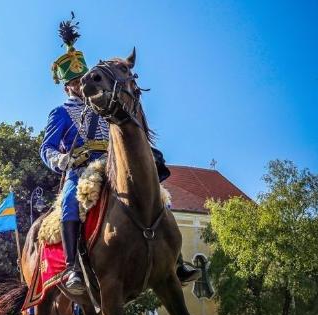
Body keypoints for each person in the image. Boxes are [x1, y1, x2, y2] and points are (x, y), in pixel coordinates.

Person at [39, 14, 199, 297]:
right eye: (74, 82)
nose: (79, 85)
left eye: (81, 79)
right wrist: (61, 160)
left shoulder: (104, 103)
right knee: (69, 203)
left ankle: (175, 260)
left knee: (155, 194)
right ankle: (73, 267)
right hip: (81, 168)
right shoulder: (61, 113)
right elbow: (46, 148)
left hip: (114, 164)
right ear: (66, 87)